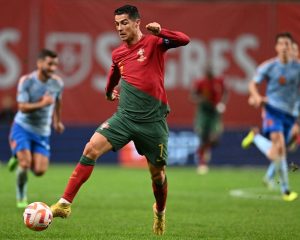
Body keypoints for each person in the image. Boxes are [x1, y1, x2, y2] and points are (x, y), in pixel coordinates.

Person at [50, 5, 190, 236]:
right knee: (91, 148)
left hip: (152, 122)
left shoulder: (154, 43)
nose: (120, 28)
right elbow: (114, 72)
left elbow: (184, 40)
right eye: (116, 24)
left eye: (124, 22)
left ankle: (160, 211)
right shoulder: (118, 53)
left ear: (137, 22)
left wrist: (161, 31)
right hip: (124, 117)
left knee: (158, 175)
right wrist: (108, 92)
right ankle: (65, 203)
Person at [241, 32, 300, 201]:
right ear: (276, 47)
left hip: (289, 115)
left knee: (277, 151)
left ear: (291, 48)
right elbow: (253, 83)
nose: (283, 47)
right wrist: (256, 96)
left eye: (286, 44)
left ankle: (255, 138)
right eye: (280, 44)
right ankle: (286, 191)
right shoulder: (269, 66)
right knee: (280, 146)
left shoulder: (297, 67)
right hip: (271, 110)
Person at [8, 49, 64, 208]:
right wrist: (42, 104)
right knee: (25, 164)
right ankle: (21, 197)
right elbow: (22, 107)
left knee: (39, 171)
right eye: (49, 64)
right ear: (39, 63)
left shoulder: (57, 83)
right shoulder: (26, 81)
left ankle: (18, 156)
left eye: (55, 64)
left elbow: (58, 102)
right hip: (23, 127)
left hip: (42, 131)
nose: (53, 68)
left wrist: (57, 121)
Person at [190, 65, 228, 174]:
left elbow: (225, 92)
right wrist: (201, 99)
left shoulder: (219, 81)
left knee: (215, 138)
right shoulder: (200, 83)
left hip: (215, 113)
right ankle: (202, 163)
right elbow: (192, 96)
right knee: (202, 137)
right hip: (203, 113)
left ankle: (205, 150)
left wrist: (222, 103)